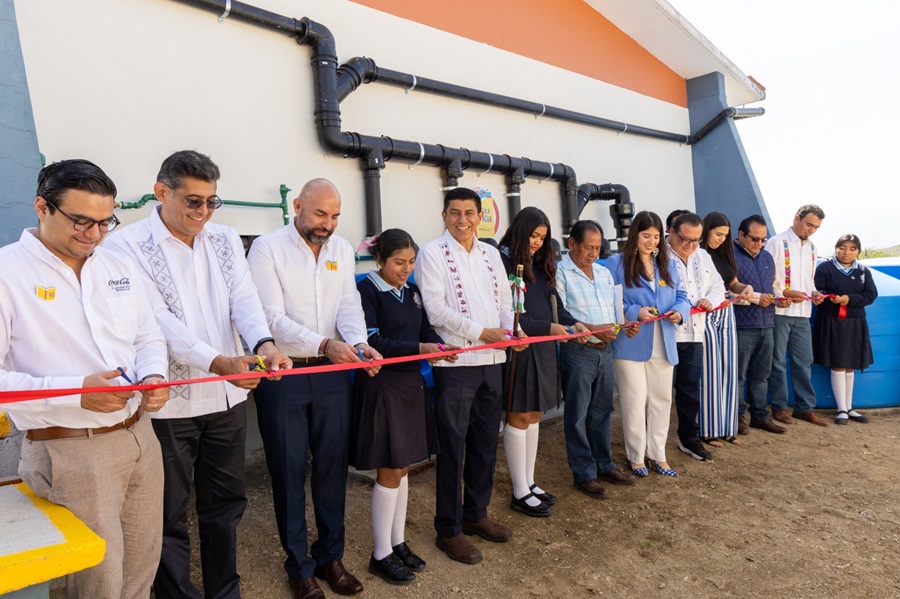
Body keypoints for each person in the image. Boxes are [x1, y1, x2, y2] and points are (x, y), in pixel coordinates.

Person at [105, 150, 290, 599]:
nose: (203, 212)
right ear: (161, 192)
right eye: (192, 201)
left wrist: (263, 345)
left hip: (227, 401)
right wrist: (219, 363)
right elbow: (156, 322)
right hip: (170, 402)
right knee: (166, 513)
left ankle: (224, 591)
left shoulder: (224, 239)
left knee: (225, 506)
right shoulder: (124, 246)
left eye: (211, 201)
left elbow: (244, 299)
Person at [0, 159, 169, 598]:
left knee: (141, 567)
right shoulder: (7, 273)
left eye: (104, 222)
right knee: (95, 581)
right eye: (80, 220)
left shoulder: (117, 266)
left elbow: (148, 334)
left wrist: (154, 373)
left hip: (140, 437)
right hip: (70, 451)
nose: (93, 233)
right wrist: (78, 394)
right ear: (42, 207)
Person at [247, 178, 380, 599]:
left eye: (335, 216)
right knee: (287, 471)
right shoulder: (267, 248)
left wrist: (358, 344)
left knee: (331, 467)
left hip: (332, 373)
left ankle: (330, 557)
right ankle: (299, 566)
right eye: (320, 214)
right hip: (284, 374)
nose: (328, 224)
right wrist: (323, 343)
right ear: (298, 206)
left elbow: (348, 306)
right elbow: (268, 316)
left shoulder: (342, 250)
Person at [416, 187, 524, 565]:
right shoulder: (431, 254)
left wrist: (512, 333)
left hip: (493, 360)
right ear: (444, 215)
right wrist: (482, 333)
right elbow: (435, 310)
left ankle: (475, 514)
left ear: (480, 216)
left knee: (483, 441)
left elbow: (505, 302)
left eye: (469, 213)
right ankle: (448, 528)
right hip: (456, 365)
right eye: (454, 213)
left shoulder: (491, 253)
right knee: (452, 447)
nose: (462, 220)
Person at [351, 228, 457, 585]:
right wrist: (420, 350)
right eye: (399, 262)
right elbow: (371, 339)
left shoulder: (411, 292)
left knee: (406, 464)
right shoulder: (365, 291)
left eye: (411, 262)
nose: (406, 269)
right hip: (382, 385)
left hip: (411, 384)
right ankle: (380, 553)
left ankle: (397, 542)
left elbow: (425, 330)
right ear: (379, 259)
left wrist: (440, 347)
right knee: (390, 467)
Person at [497, 207, 589, 517]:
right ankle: (519, 489)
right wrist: (547, 328)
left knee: (535, 413)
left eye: (543, 237)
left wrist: (571, 322)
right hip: (521, 347)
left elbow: (555, 305)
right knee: (519, 414)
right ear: (520, 231)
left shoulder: (540, 263)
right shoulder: (502, 261)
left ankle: (530, 481)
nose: (538, 242)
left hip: (544, 347)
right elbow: (510, 313)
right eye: (534, 236)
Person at [606, 211, 691, 478]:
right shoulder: (615, 263)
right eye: (646, 236)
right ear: (635, 235)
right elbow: (610, 300)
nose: (652, 242)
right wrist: (634, 312)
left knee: (662, 399)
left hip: (663, 339)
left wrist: (680, 310)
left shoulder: (668, 264)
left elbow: (682, 295)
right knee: (634, 399)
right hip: (630, 341)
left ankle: (658, 454)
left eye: (656, 237)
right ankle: (635, 455)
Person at [556, 220, 636, 498]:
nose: (592, 253)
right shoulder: (560, 273)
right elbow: (561, 318)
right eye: (587, 247)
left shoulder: (603, 274)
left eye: (597, 247)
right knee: (577, 415)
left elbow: (614, 311)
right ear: (571, 244)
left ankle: (605, 464)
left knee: (602, 410)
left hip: (605, 350)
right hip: (579, 351)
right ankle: (584, 473)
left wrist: (624, 325)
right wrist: (592, 331)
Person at [665, 211, 724, 462]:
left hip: (695, 333)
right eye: (685, 239)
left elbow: (718, 286)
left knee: (689, 389)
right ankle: (649, 445)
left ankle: (688, 437)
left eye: (696, 240)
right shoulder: (658, 256)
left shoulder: (703, 256)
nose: (690, 246)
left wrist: (710, 300)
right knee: (659, 393)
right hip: (665, 334)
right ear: (671, 232)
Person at [764, 205, 828, 426]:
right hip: (780, 310)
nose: (811, 230)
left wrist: (814, 293)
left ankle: (804, 407)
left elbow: (809, 280)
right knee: (778, 361)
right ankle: (780, 407)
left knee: (804, 361)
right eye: (809, 224)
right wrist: (782, 293)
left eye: (816, 227)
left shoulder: (812, 247)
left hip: (803, 312)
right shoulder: (776, 242)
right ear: (797, 218)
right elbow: (767, 279)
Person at [699, 212, 754, 446]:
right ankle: (708, 429)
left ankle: (728, 426)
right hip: (705, 314)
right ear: (707, 230)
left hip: (727, 314)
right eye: (718, 234)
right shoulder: (697, 256)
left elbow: (733, 283)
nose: (722, 239)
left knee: (729, 370)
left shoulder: (724, 255)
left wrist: (745, 287)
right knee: (710, 372)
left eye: (725, 235)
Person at [813, 234, 878, 424]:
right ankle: (841, 408)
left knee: (850, 365)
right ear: (836, 248)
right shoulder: (825, 268)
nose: (846, 252)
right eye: (842, 247)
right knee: (838, 363)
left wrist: (849, 299)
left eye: (852, 248)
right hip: (833, 321)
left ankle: (849, 407)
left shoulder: (863, 271)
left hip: (856, 322)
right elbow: (818, 291)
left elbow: (870, 295)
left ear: (858, 250)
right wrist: (830, 299)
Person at [732, 215, 788, 434]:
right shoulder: (729, 256)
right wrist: (756, 298)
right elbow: (726, 292)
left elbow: (773, 287)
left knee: (761, 374)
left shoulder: (766, 257)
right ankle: (736, 417)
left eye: (763, 239)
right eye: (755, 239)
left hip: (767, 323)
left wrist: (778, 298)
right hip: (742, 325)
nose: (760, 244)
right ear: (741, 235)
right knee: (738, 375)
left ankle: (760, 416)